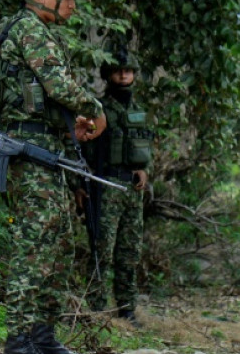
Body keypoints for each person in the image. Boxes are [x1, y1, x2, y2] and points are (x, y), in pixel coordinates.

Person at [0, 0, 107, 354]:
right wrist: (95, 109)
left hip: (46, 149)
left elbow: (45, 98)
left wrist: (72, 126)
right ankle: (19, 340)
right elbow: (58, 85)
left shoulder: (35, 30)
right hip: (29, 151)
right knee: (33, 245)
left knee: (59, 245)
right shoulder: (28, 28)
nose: (72, 5)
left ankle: (42, 336)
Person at [76, 47, 152, 327]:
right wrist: (79, 186)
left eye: (128, 71)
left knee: (129, 252)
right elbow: (81, 149)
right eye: (118, 71)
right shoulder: (98, 109)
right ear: (108, 75)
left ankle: (126, 309)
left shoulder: (138, 110)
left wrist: (144, 170)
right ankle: (96, 309)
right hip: (105, 185)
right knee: (102, 250)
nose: (123, 75)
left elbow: (145, 145)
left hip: (132, 189)